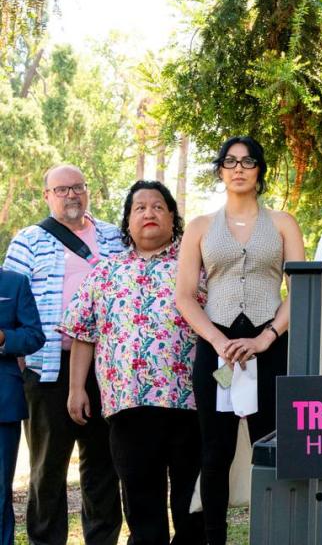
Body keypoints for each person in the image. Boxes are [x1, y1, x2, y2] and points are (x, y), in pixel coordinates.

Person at [176, 137, 305, 545]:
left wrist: (267, 338)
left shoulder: (283, 223)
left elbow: (300, 290)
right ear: (220, 170)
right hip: (218, 353)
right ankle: (216, 538)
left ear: (259, 170)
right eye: (229, 161)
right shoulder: (199, 227)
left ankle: (273, 535)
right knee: (216, 453)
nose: (238, 168)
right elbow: (184, 296)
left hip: (268, 347)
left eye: (248, 161)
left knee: (272, 449)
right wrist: (217, 340)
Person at [62, 181, 204, 544]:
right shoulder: (105, 272)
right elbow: (83, 332)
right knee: (142, 505)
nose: (149, 213)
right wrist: (77, 388)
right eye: (139, 208)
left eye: (158, 206)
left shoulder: (197, 269)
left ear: (173, 217)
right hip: (127, 406)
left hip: (189, 403)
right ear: (127, 222)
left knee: (191, 503)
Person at [3, 164, 123, 545]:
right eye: (62, 189)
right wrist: (23, 367)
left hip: (106, 367)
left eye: (78, 187)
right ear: (47, 196)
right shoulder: (28, 241)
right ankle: (45, 540)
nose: (72, 195)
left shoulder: (113, 237)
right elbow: (8, 307)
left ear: (87, 191)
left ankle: (102, 538)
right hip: (47, 371)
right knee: (47, 468)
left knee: (103, 464)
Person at [0, 268, 44, 545]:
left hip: (2, 404)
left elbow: (34, 335)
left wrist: (4, 338)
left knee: (0, 491)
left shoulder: (15, 283)